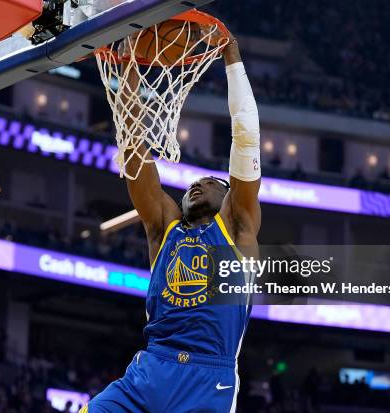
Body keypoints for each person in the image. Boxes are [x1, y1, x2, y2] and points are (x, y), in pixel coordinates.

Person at [82, 31, 261, 413]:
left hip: (207, 377)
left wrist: (233, 59)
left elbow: (246, 139)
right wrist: (127, 69)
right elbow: (133, 148)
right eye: (194, 183)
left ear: (228, 196)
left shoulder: (238, 226)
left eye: (210, 182)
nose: (197, 184)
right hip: (150, 369)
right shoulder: (166, 228)